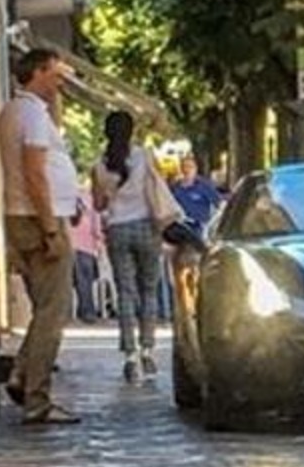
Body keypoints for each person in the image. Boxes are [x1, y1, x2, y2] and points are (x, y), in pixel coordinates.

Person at [0, 47, 81, 425]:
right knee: (54, 311)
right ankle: (37, 397)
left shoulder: (18, 110)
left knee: (46, 308)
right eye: (56, 75)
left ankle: (21, 373)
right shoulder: (31, 114)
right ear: (38, 73)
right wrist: (51, 226)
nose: (60, 81)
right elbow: (34, 172)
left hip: (24, 217)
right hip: (38, 220)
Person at [92, 111, 163, 383]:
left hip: (117, 229)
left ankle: (129, 356)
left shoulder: (100, 164)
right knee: (149, 291)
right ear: (132, 131)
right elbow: (158, 188)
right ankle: (148, 350)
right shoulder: (145, 156)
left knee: (124, 292)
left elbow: (98, 204)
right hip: (146, 226)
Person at [68, 185, 103, 323]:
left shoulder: (65, 197)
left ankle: (66, 313)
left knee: (66, 283)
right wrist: (98, 243)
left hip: (68, 244)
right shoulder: (90, 198)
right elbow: (96, 225)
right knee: (85, 282)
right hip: (86, 246)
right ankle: (87, 312)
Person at [171, 155, 221, 235]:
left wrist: (211, 225)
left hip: (199, 229)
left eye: (190, 167)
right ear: (181, 169)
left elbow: (220, 205)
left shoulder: (204, 186)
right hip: (181, 229)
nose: (187, 170)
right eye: (184, 167)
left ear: (196, 169)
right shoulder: (175, 188)